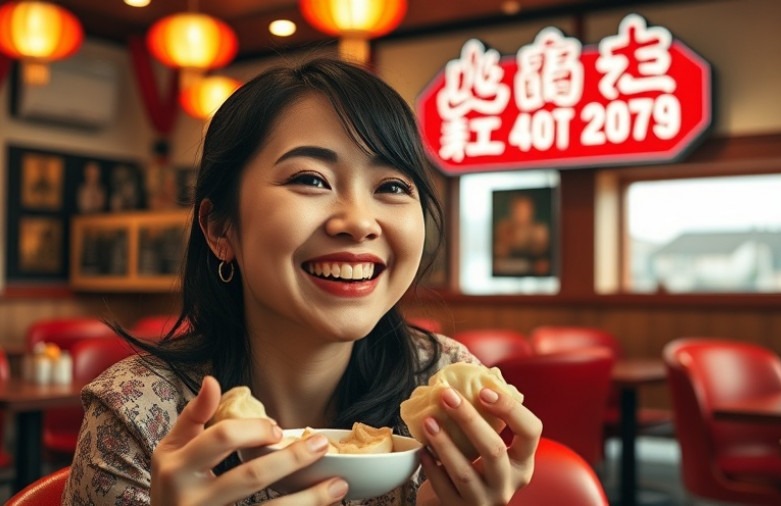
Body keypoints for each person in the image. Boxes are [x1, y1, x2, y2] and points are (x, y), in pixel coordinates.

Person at [62, 55, 542, 505]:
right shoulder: (137, 417)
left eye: (392, 186)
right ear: (219, 229)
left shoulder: (446, 388)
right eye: (311, 179)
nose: (359, 221)